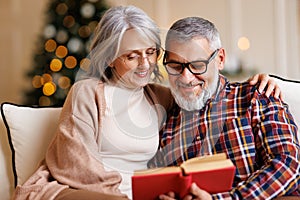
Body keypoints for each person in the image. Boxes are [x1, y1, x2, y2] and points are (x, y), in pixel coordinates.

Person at [12, 6, 283, 200]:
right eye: (132, 56)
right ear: (109, 57)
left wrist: (256, 81)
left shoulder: (162, 96)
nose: (144, 65)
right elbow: (74, 163)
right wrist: (121, 193)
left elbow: (205, 95)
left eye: (151, 52)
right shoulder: (87, 92)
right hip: (85, 191)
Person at [148, 16, 300, 200]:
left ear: (220, 59)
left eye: (197, 65)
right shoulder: (166, 124)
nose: (186, 78)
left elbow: (288, 165)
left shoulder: (257, 97)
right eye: (175, 65)